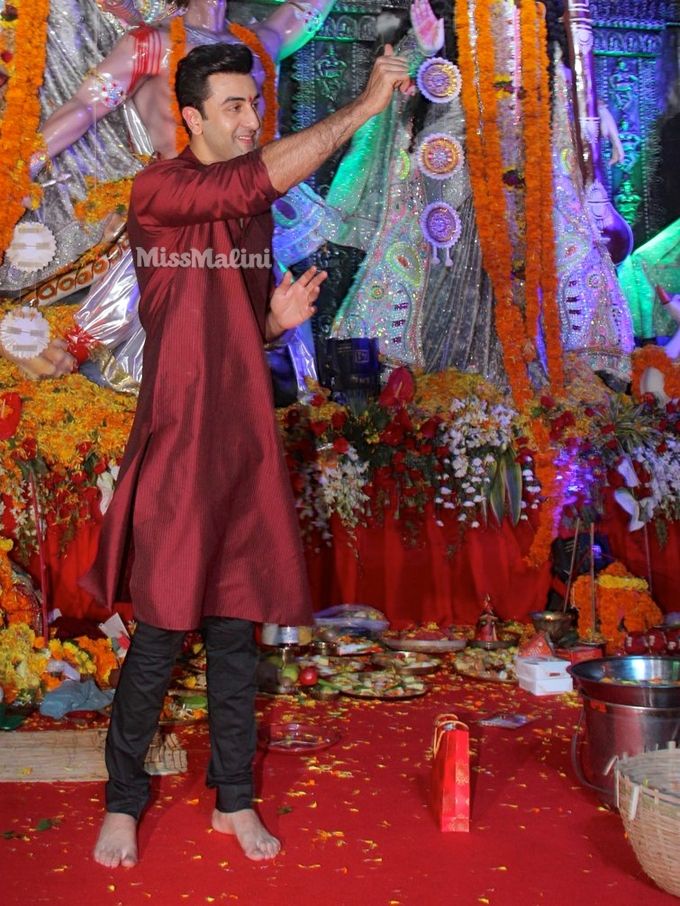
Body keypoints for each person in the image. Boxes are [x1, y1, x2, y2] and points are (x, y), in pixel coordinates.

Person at [87, 39, 412, 869]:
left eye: (252, 104)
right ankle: (122, 803)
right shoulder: (160, 189)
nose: (248, 119)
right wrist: (366, 108)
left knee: (238, 633)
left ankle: (234, 799)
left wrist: (277, 323)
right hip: (179, 442)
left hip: (244, 441)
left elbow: (223, 321)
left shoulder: (249, 211)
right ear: (190, 117)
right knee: (161, 632)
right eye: (232, 106)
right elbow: (254, 176)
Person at [2, 0, 338, 386]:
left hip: (248, 233)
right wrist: (14, 170)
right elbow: (83, 109)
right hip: (176, 230)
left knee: (272, 359)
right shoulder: (153, 45)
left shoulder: (258, 44)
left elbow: (305, 9)